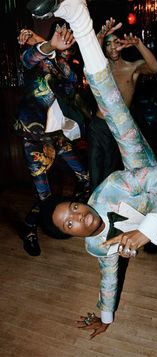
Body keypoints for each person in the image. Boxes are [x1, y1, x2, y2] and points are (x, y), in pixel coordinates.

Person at [27, 0, 157, 338]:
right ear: (72, 236)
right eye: (71, 222)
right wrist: (105, 317)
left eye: (75, 208)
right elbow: (109, 276)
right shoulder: (95, 246)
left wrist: (145, 231)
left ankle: (77, 13)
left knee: (114, 110)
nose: (81, 216)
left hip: (143, 178)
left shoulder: (109, 189)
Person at [15, 23, 89, 256]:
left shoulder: (65, 68)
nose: (68, 46)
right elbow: (29, 58)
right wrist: (47, 45)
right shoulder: (35, 58)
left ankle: (65, 211)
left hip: (57, 135)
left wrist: (56, 51)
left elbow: (69, 79)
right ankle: (30, 228)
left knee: (86, 177)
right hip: (35, 137)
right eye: (64, 39)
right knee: (44, 196)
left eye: (70, 43)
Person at [88, 17, 157, 192]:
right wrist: (99, 37)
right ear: (103, 48)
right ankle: (93, 207)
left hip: (120, 129)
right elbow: (90, 55)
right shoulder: (101, 69)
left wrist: (138, 44)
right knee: (95, 172)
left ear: (122, 44)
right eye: (108, 43)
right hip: (99, 126)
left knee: (111, 172)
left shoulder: (132, 68)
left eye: (116, 42)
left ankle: (109, 208)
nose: (112, 47)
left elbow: (155, 68)